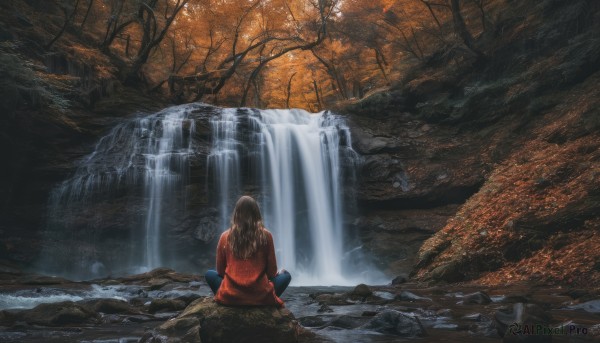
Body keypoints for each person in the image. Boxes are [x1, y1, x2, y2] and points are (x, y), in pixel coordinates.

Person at [205, 195, 291, 307]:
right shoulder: (266, 236)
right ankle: (262, 299)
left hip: (231, 297)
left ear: (236, 214)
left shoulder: (225, 237)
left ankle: (232, 297)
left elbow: (220, 272)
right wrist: (277, 273)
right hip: (260, 297)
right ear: (257, 214)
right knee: (286, 276)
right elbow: (271, 272)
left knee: (209, 274)